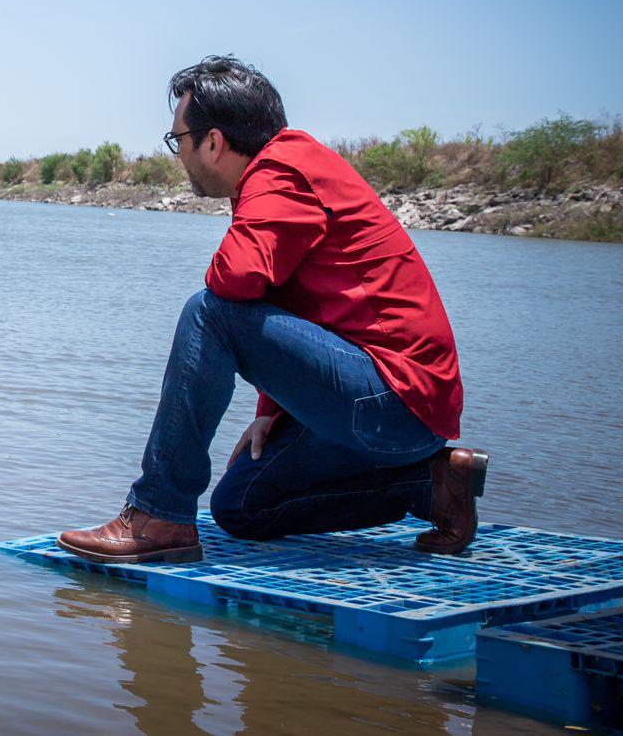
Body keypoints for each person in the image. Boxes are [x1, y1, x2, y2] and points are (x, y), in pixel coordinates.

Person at [58, 55, 487, 564]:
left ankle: (159, 515)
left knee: (207, 312)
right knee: (242, 506)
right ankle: (434, 484)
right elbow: (293, 301)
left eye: (178, 140)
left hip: (395, 401)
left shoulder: (282, 171)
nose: (177, 154)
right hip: (395, 408)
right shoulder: (290, 168)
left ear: (213, 142)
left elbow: (235, 280)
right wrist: (272, 408)